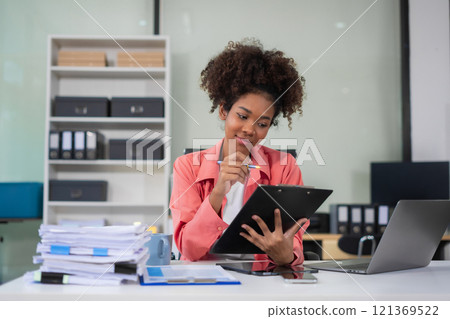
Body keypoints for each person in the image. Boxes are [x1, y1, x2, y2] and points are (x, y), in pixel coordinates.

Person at [170, 39, 309, 265]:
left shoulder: (285, 166)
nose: (249, 130)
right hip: (206, 280)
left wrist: (287, 256)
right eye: (242, 116)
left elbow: (294, 243)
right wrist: (218, 191)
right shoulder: (187, 166)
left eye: (262, 123)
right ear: (224, 110)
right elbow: (189, 249)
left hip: (262, 279)